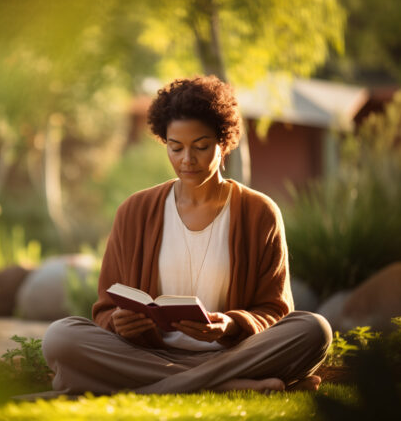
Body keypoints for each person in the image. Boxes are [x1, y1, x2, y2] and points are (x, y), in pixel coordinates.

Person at [42, 76, 331, 395]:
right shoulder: (135, 211)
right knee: (61, 336)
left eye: (201, 146)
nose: (186, 160)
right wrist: (117, 322)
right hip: (148, 354)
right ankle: (228, 385)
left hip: (233, 354)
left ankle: (166, 384)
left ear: (225, 142)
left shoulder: (259, 212)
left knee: (314, 329)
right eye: (175, 147)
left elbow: (275, 310)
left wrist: (231, 325)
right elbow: (105, 308)